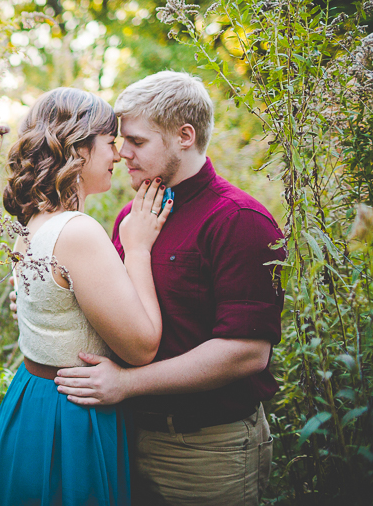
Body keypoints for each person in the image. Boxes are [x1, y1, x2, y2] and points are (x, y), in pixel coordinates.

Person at [51, 71, 286, 506]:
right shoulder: (132, 215)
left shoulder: (240, 221)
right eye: (122, 141)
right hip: (122, 436)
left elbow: (247, 352)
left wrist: (126, 384)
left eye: (137, 142)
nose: (122, 154)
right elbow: (115, 310)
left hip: (204, 451)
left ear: (184, 136)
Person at [0, 87, 173, 506]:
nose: (120, 154)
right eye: (110, 142)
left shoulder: (32, 220)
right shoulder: (78, 231)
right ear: (79, 149)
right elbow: (142, 347)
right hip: (70, 414)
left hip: (32, 399)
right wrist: (138, 248)